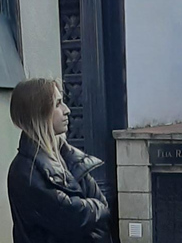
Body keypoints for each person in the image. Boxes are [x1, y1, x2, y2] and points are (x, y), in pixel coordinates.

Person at [7, 78, 112, 243]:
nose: (67, 110)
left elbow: (102, 204)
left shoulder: (67, 156)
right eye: (58, 104)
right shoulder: (25, 171)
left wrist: (94, 208)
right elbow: (73, 218)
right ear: (39, 112)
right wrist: (95, 208)